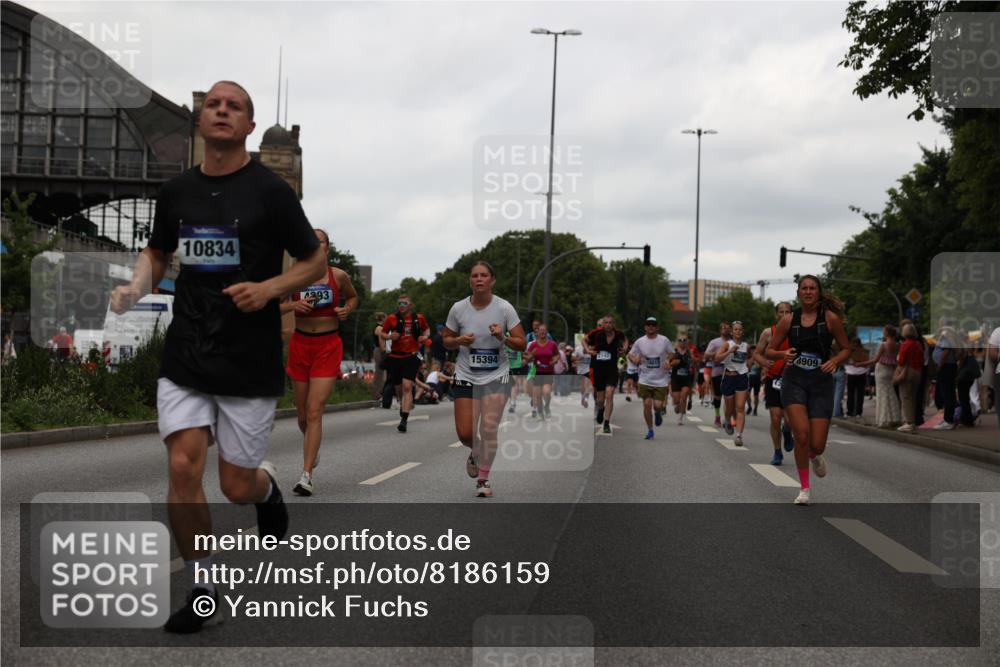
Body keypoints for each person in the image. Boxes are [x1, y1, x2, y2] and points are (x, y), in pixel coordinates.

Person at [109, 81, 327, 633]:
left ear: (249, 126)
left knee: (235, 485)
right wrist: (136, 286)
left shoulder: (271, 192)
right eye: (213, 104)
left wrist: (270, 289)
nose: (222, 111)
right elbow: (158, 251)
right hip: (188, 350)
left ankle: (266, 490)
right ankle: (203, 589)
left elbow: (314, 262)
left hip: (248, 357)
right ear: (200, 121)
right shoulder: (176, 192)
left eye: (234, 106)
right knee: (183, 466)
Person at [280, 230, 359, 496]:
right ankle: (312, 445)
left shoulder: (339, 276)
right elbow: (270, 304)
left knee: (315, 410)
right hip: (300, 345)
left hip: (328, 345)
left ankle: (306, 476)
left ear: (327, 248)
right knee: (303, 415)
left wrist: (346, 309)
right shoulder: (293, 277)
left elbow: (353, 297)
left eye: (320, 241)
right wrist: (293, 307)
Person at [442, 261, 525, 497]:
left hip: (496, 376)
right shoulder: (458, 309)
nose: (479, 279)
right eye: (474, 276)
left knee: (488, 429)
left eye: (484, 275)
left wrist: (503, 337)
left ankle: (483, 480)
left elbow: (521, 344)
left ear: (492, 280)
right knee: (465, 434)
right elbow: (446, 339)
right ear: (470, 281)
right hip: (466, 375)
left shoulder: (504, 308)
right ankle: (475, 450)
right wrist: (459, 341)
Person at [767, 275, 851, 505]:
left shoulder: (830, 319)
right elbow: (770, 350)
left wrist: (835, 361)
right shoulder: (788, 320)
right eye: (804, 288)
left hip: (821, 383)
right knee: (801, 435)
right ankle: (804, 488)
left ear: (819, 292)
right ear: (798, 293)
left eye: (812, 288)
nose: (808, 291)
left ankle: (814, 455)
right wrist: (782, 354)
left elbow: (846, 348)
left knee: (817, 444)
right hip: (794, 381)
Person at [753, 301, 795, 466]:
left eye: (787, 312)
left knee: (790, 420)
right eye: (781, 312)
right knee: (775, 417)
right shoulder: (768, 332)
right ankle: (777, 451)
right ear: (776, 314)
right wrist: (764, 363)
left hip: (792, 379)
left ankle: (787, 430)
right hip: (774, 378)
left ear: (792, 314)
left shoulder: (797, 331)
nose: (784, 315)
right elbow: (757, 354)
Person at [382, 295, 430, 433]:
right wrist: (389, 336)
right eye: (399, 303)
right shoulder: (391, 318)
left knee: (407, 386)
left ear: (410, 305)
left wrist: (425, 336)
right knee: (398, 388)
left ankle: (404, 419)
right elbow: (382, 333)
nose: (401, 305)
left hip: (411, 356)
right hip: (395, 357)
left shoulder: (419, 318)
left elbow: (427, 329)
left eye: (404, 303)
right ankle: (402, 403)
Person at [628, 317, 675, 439]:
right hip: (645, 378)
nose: (651, 326)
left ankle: (658, 413)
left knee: (657, 406)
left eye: (653, 324)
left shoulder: (664, 340)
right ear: (645, 327)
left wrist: (668, 360)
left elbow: (672, 353)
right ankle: (650, 430)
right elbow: (630, 354)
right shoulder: (640, 342)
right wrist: (634, 359)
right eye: (648, 324)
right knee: (647, 404)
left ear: (657, 327)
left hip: (661, 379)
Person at [585, 315, 629, 434]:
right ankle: (601, 409)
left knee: (609, 394)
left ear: (613, 324)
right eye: (606, 322)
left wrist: (624, 349)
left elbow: (625, 340)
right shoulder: (596, 333)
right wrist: (588, 350)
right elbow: (584, 340)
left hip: (612, 369)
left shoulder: (618, 334)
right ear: (603, 324)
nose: (608, 325)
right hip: (599, 369)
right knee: (600, 399)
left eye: (610, 323)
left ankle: (606, 423)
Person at [714, 320, 752, 446]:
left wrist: (749, 364)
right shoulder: (727, 344)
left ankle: (739, 436)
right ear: (732, 332)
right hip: (729, 378)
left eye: (740, 329)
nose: (738, 331)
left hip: (742, 378)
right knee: (729, 409)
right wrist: (729, 351)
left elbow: (751, 357)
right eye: (735, 329)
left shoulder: (746, 346)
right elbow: (717, 358)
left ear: (743, 332)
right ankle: (727, 420)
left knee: (740, 407)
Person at [857, 325, 901, 428]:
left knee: (882, 394)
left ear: (887, 333)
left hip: (881, 369)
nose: (883, 333)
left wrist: (861, 364)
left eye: (884, 331)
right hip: (891, 370)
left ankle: (883, 419)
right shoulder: (898, 345)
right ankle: (894, 417)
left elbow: (875, 360)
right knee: (891, 393)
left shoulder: (883, 345)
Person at [525, 324, 560, 419]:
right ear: (537, 332)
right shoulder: (533, 345)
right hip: (537, 372)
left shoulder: (552, 344)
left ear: (546, 332)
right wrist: (531, 355)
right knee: (538, 395)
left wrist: (554, 360)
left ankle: (547, 407)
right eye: (540, 330)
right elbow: (527, 357)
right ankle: (540, 411)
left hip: (548, 372)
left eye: (544, 330)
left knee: (546, 392)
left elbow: (557, 355)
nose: (542, 332)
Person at [894, 323, 924, 432]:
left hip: (907, 371)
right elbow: (922, 360)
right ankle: (913, 421)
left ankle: (909, 422)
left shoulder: (905, 344)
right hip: (917, 372)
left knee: (906, 397)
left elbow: (901, 361)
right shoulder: (918, 344)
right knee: (913, 397)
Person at [704, 322, 732, 427]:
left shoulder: (733, 342)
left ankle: (727, 419)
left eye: (727, 328)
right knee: (718, 397)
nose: (725, 329)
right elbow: (706, 355)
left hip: (730, 372)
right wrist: (716, 354)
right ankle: (717, 416)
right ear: (720, 330)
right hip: (717, 372)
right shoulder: (714, 342)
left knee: (729, 397)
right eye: (723, 328)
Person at [668, 334, 695, 425]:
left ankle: (680, 418)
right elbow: (668, 363)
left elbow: (694, 362)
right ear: (678, 341)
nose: (682, 342)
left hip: (686, 378)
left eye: (684, 340)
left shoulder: (689, 352)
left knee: (683, 397)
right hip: (676, 378)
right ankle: (677, 405)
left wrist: (692, 363)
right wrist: (674, 362)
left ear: (687, 342)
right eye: (680, 340)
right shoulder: (674, 351)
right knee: (676, 400)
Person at [843, 338, 869, 420]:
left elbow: (845, 363)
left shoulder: (849, 352)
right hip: (862, 374)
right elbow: (867, 364)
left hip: (851, 374)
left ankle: (850, 412)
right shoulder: (864, 352)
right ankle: (858, 413)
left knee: (850, 394)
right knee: (860, 395)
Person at [506, 333, 527, 413]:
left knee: (513, 384)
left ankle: (512, 403)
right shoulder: (503, 334)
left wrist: (524, 359)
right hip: (504, 365)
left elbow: (524, 348)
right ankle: (511, 400)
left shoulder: (518, 335)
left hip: (515, 365)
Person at [371, 312, 388, 403]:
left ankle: (379, 392)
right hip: (379, 351)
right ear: (382, 319)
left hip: (378, 350)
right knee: (379, 373)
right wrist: (384, 352)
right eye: (386, 318)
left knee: (381, 373)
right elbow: (381, 342)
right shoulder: (380, 328)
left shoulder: (379, 327)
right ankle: (376, 394)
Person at [573, 338, 592, 408]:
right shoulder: (578, 349)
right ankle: (582, 398)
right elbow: (573, 358)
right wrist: (579, 359)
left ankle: (586, 399)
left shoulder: (591, 348)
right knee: (582, 386)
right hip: (580, 370)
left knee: (588, 385)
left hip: (589, 370)